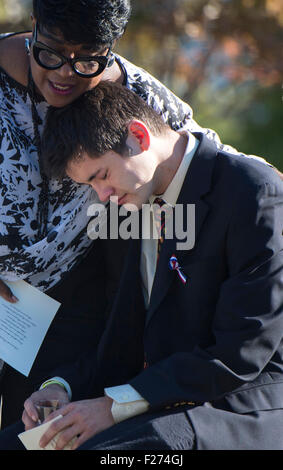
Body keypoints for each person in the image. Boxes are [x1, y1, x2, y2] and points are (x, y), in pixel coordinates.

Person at [0, 0, 246, 429]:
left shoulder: (135, 92)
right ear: (34, 28)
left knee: (33, 429)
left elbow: (213, 162)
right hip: (9, 296)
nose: (64, 73)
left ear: (110, 49)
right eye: (52, 53)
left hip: (66, 300)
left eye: (86, 61)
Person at [1, 80, 281, 450]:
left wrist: (114, 407)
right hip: (149, 405)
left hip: (233, 407)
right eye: (91, 186)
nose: (103, 197)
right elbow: (119, 335)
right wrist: (59, 388)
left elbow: (240, 353)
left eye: (102, 176)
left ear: (138, 136)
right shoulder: (126, 208)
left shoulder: (253, 191)